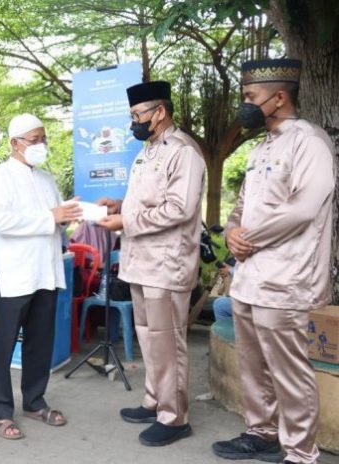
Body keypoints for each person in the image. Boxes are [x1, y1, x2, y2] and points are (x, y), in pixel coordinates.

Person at [212, 58, 335, 464]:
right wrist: (232, 232)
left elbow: (304, 208)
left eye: (251, 97)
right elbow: (243, 207)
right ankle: (261, 433)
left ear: (279, 97)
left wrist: (249, 238)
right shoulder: (262, 146)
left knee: (289, 371)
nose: (245, 104)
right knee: (253, 366)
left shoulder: (310, 141)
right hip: (250, 277)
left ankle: (301, 453)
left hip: (287, 278)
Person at [96, 81, 206, 446]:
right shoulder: (148, 151)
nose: (134, 122)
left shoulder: (183, 152)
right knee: (148, 338)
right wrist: (119, 206)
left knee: (167, 341)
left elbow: (179, 208)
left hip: (166, 264)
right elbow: (143, 202)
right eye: (131, 116)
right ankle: (154, 400)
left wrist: (126, 221)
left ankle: (174, 418)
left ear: (160, 112)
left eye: (138, 115)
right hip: (140, 262)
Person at [0, 113, 81, 440]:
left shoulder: (47, 179)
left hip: (45, 273)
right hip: (13, 275)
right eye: (34, 140)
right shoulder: (0, 176)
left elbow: (54, 221)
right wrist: (50, 217)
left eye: (43, 139)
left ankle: (34, 401)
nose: (41, 145)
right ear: (15, 143)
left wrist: (65, 216)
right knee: (4, 346)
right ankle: (0, 411)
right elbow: (0, 222)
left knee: (40, 343)